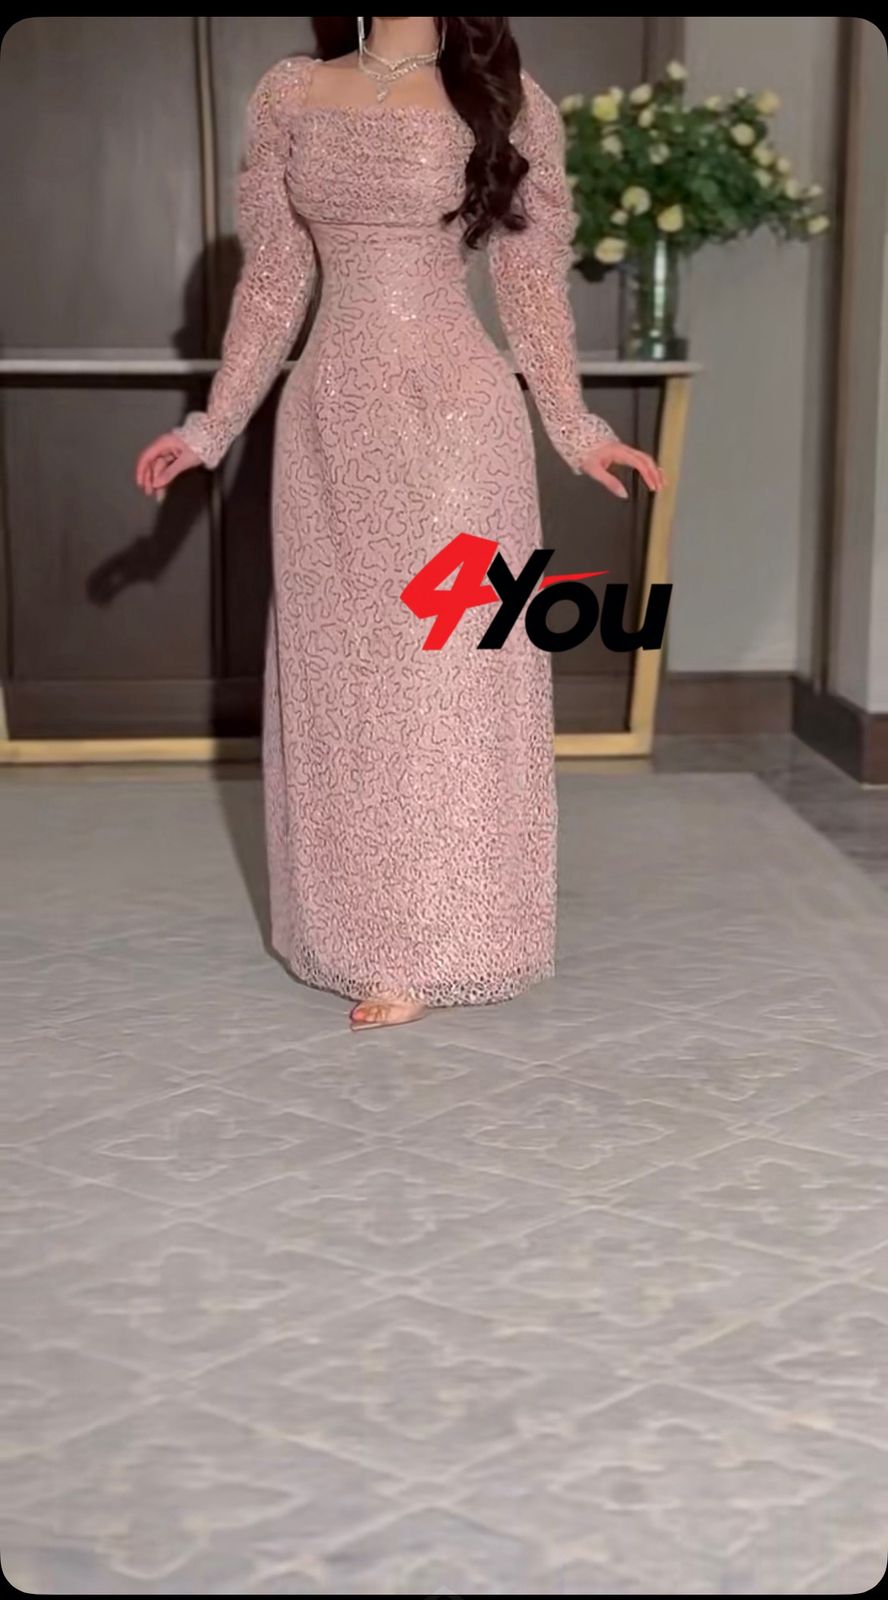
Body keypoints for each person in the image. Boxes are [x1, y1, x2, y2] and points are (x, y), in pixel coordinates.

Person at [136, 17, 662, 1032]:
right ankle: (358, 929)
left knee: (449, 668)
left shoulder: (506, 99)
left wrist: (576, 427)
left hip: (458, 418)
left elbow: (527, 282)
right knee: (343, 679)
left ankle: (441, 936)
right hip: (329, 417)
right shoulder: (291, 91)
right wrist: (211, 426)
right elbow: (274, 281)